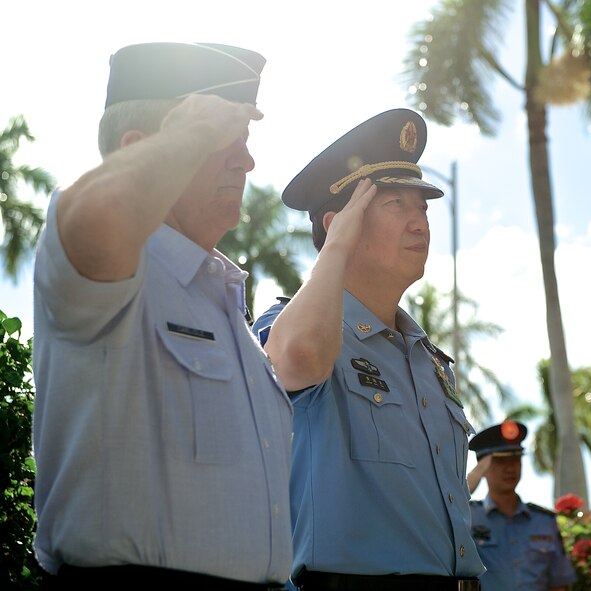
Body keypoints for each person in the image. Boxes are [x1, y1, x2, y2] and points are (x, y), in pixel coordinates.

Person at [31, 42, 293, 589]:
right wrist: (187, 131)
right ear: (139, 148)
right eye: (224, 141)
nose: (246, 161)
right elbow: (97, 216)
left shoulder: (220, 296)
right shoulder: (108, 265)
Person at [252, 108, 484, 591]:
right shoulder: (296, 327)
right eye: (395, 204)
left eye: (422, 208)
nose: (419, 223)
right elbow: (292, 358)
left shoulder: (429, 360)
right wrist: (335, 249)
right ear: (341, 224)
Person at [467, 420, 577, 591]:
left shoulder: (545, 521)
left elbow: (558, 585)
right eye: (500, 461)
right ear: (483, 467)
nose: (510, 468)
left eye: (515, 459)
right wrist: (471, 479)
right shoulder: (468, 518)